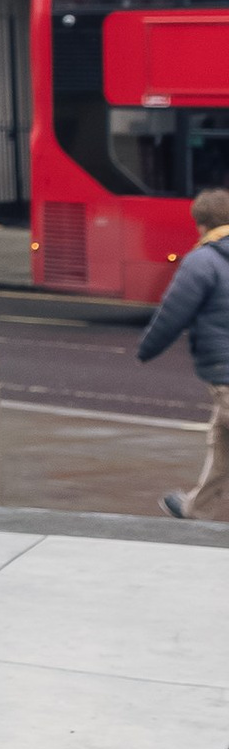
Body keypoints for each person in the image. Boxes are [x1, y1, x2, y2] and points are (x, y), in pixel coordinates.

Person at [139, 185, 229, 519]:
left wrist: (147, 349)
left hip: (225, 371)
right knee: (221, 443)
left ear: (201, 224)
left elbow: (172, 313)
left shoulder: (202, 260)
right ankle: (195, 508)